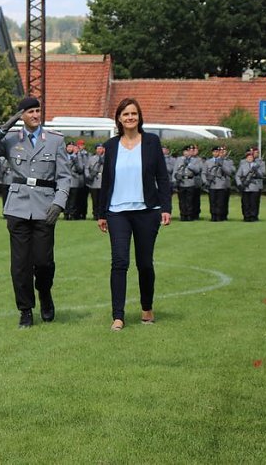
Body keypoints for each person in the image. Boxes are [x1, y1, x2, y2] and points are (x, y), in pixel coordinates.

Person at [0, 96, 71, 328]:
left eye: (37, 110)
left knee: (43, 263)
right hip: (17, 207)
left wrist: (59, 203)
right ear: (22, 115)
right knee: (20, 265)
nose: (35, 115)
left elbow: (64, 177)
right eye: (29, 111)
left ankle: (45, 293)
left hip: (45, 207)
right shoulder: (10, 139)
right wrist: (7, 125)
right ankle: (25, 310)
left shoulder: (54, 140)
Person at [97, 98, 172, 331]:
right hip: (117, 212)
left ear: (139, 117)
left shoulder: (151, 142)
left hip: (147, 211)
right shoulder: (110, 146)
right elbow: (106, 181)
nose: (130, 118)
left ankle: (146, 307)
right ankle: (118, 316)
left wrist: (166, 207)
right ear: (119, 118)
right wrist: (101, 213)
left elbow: (162, 177)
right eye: (126, 114)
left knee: (145, 264)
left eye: (134, 114)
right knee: (119, 262)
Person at [235, 146, 266, 221]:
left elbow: (262, 175)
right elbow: (238, 175)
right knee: (245, 203)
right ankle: (246, 216)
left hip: (254, 186)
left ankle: (253, 216)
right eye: (248, 157)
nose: (250, 159)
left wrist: (257, 171)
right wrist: (239, 184)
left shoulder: (256, 166)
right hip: (245, 186)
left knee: (254, 203)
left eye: (251, 157)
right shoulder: (243, 166)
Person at [174, 144, 204, 221]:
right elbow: (175, 171)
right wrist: (175, 180)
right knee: (181, 201)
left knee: (189, 200)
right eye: (187, 151)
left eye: (190, 151)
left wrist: (189, 164)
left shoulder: (195, 160)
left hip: (190, 181)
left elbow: (197, 170)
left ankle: (190, 215)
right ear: (184, 152)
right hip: (181, 182)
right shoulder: (179, 159)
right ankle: (183, 215)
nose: (189, 153)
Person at [204, 146, 234, 221]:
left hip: (221, 184)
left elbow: (229, 172)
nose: (216, 153)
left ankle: (219, 216)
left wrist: (222, 165)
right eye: (214, 152)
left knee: (220, 202)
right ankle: (213, 216)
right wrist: (205, 181)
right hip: (211, 184)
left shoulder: (225, 161)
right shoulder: (208, 162)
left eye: (217, 152)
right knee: (212, 201)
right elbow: (204, 172)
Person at [65, 142, 86, 220]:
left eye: (71, 147)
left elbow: (80, 169)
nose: (70, 148)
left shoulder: (78, 157)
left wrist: (75, 160)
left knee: (74, 200)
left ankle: (72, 215)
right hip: (65, 181)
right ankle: (66, 214)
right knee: (66, 199)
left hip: (74, 181)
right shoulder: (63, 156)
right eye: (68, 147)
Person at [85, 143, 105, 220]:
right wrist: (87, 175)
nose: (99, 150)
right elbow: (87, 168)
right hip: (94, 182)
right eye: (98, 148)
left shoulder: (107, 158)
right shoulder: (91, 158)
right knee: (95, 200)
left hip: (103, 182)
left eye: (101, 148)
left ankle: (102, 215)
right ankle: (95, 215)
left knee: (102, 200)